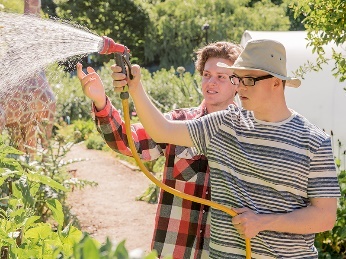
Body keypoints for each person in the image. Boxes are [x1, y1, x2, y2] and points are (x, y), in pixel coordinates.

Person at [110, 39, 341, 258]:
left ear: (276, 83)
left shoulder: (314, 141)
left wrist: (264, 222)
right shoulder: (224, 124)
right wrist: (136, 88)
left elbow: (325, 217)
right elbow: (163, 130)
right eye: (237, 79)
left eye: (248, 80)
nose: (240, 87)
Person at [77, 41, 243, 258]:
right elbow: (129, 142)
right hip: (174, 250)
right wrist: (101, 102)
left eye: (221, 77)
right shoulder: (177, 123)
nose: (211, 82)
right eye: (206, 74)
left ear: (238, 83)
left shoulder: (247, 134)